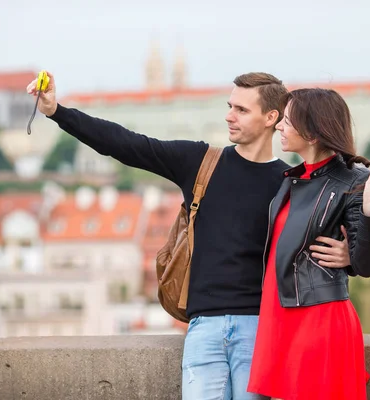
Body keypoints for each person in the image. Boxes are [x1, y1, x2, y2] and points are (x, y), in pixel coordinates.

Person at [27, 72, 352, 400]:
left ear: (271, 118)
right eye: (229, 106)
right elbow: (125, 144)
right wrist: (57, 111)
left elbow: (326, 233)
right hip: (203, 327)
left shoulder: (289, 182)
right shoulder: (200, 162)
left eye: (241, 109)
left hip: (260, 330)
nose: (229, 115)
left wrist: (349, 255)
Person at [247, 88, 370, 400]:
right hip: (280, 316)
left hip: (318, 320)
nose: (279, 127)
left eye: (286, 121)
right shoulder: (293, 178)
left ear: (312, 133)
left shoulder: (354, 180)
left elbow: (367, 265)